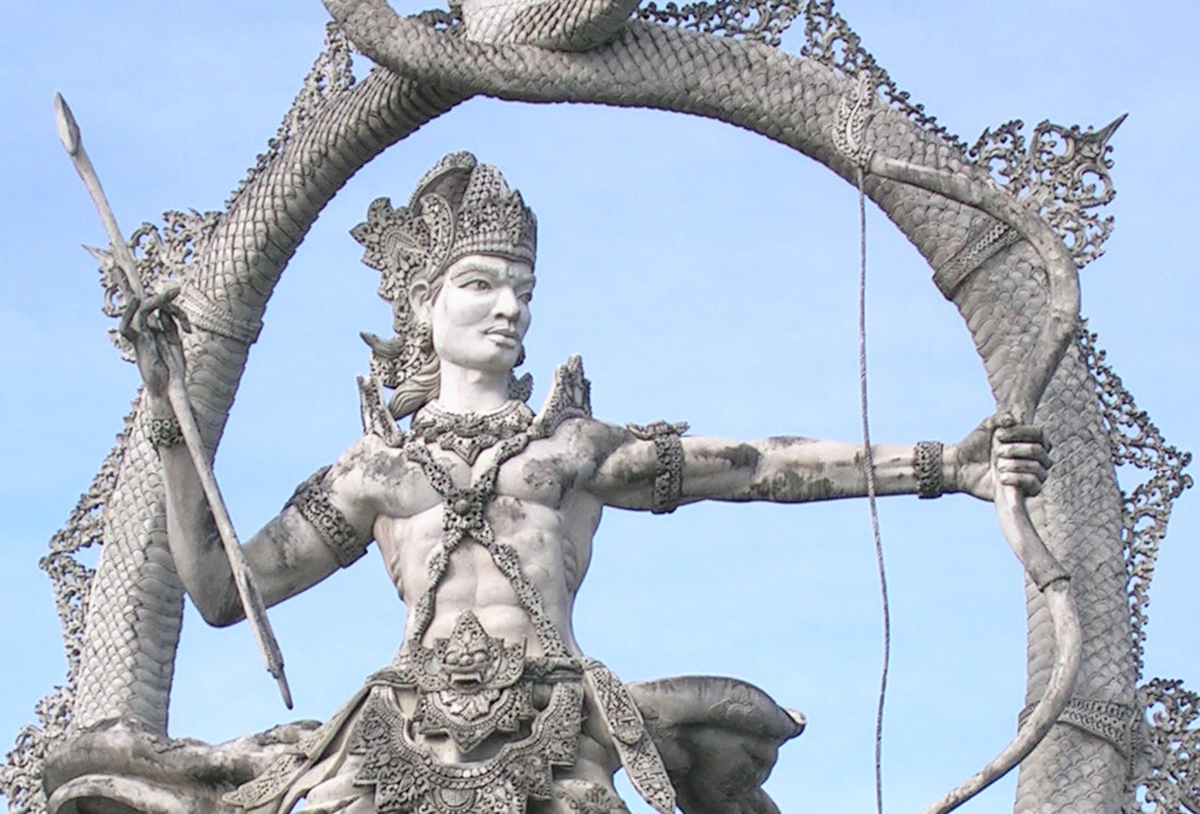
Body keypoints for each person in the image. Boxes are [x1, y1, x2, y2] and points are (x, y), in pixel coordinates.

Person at [127, 152, 1050, 814]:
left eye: (522, 290)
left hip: (554, 738)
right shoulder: (376, 471)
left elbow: (759, 467)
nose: (509, 307)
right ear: (422, 305)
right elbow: (220, 591)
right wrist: (170, 419)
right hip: (394, 745)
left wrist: (945, 466)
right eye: (480, 285)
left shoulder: (569, 453)